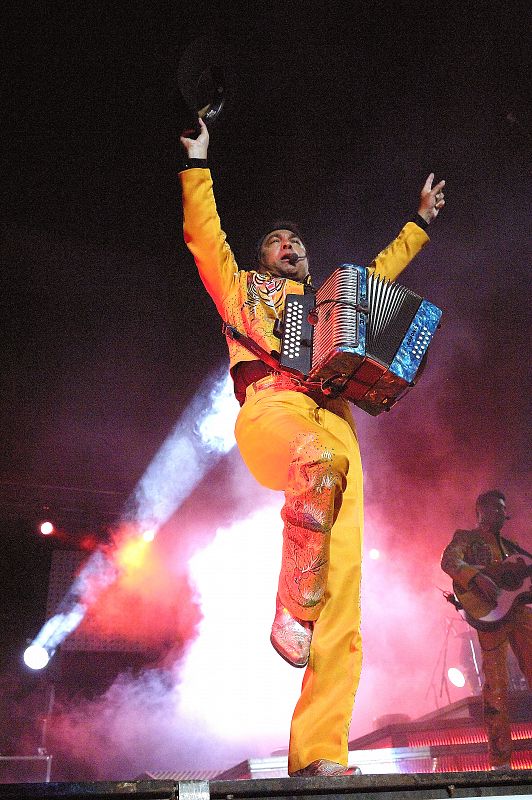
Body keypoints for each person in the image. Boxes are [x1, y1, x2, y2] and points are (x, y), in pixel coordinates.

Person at [180, 118, 445, 777]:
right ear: (264, 256)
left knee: (347, 604)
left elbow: (379, 273)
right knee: (314, 461)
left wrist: (418, 223)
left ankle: (320, 753)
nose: (288, 243)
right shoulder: (242, 289)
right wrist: (198, 162)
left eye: (295, 238)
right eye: (276, 240)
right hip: (272, 408)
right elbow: (205, 240)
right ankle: (291, 610)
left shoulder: (332, 305)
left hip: (336, 425)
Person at [441, 489, 532, 770]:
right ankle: (501, 763)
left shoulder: (512, 547)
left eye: (502, 508)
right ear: (480, 511)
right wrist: (477, 577)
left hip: (518, 613)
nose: (499, 513)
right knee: (496, 686)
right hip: (490, 615)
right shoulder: (465, 538)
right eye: (493, 508)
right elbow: (449, 561)